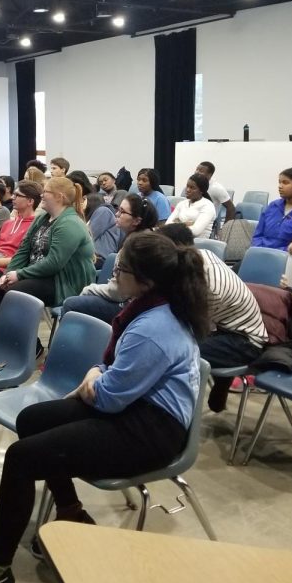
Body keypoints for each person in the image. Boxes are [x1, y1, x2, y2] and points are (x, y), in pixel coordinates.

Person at [0, 230, 206, 583]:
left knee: (21, 458)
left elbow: (109, 397)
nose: (113, 273)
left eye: (121, 268)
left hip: (152, 429)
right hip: (135, 406)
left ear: (145, 280)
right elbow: (110, 366)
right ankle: (71, 512)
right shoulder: (148, 307)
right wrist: (96, 373)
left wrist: (94, 377)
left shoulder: (154, 327)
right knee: (33, 420)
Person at [157, 224, 268, 413]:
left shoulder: (209, 286)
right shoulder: (200, 256)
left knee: (176, 354)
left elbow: (194, 326)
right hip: (223, 327)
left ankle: (177, 417)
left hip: (245, 341)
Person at [0, 177, 96, 323]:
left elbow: (53, 263)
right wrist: (7, 274)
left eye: (46, 192)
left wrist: (19, 274)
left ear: (59, 197)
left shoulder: (70, 224)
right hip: (41, 275)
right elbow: (23, 251)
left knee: (14, 292)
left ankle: (18, 340)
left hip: (63, 283)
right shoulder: (42, 218)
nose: (41, 195)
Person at [61, 194, 158, 323]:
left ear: (136, 221)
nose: (117, 214)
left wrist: (89, 289)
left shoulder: (136, 246)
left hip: (132, 306)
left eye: (122, 212)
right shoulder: (141, 237)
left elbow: (119, 292)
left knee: (71, 304)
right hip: (132, 301)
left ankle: (75, 343)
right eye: (118, 209)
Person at [0, 181, 41, 279]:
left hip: (6, 270)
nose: (12, 197)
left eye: (17, 195)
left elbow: (22, 259)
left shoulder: (35, 227)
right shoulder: (8, 224)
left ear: (30, 201)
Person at [251, 167, 292, 251]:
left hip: (287, 257)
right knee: (239, 264)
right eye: (279, 182)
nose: (280, 186)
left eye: (285, 183)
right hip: (261, 252)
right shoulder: (273, 205)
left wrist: (276, 253)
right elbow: (258, 235)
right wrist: (259, 249)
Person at [166, 173, 216, 238]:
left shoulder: (207, 206)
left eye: (192, 188)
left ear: (202, 191)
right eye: (187, 186)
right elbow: (167, 225)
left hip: (198, 244)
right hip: (179, 241)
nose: (187, 190)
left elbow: (195, 232)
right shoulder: (182, 203)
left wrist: (177, 223)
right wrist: (185, 224)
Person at [84, 193, 120, 265]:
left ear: (92, 201)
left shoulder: (103, 210)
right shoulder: (94, 215)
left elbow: (87, 236)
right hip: (93, 258)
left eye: (84, 200)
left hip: (100, 259)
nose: (81, 202)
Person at [194, 162, 235, 226]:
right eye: (197, 169)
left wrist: (225, 229)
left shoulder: (217, 188)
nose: (197, 172)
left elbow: (231, 208)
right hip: (193, 217)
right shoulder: (194, 184)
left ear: (209, 175)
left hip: (207, 222)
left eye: (201, 171)